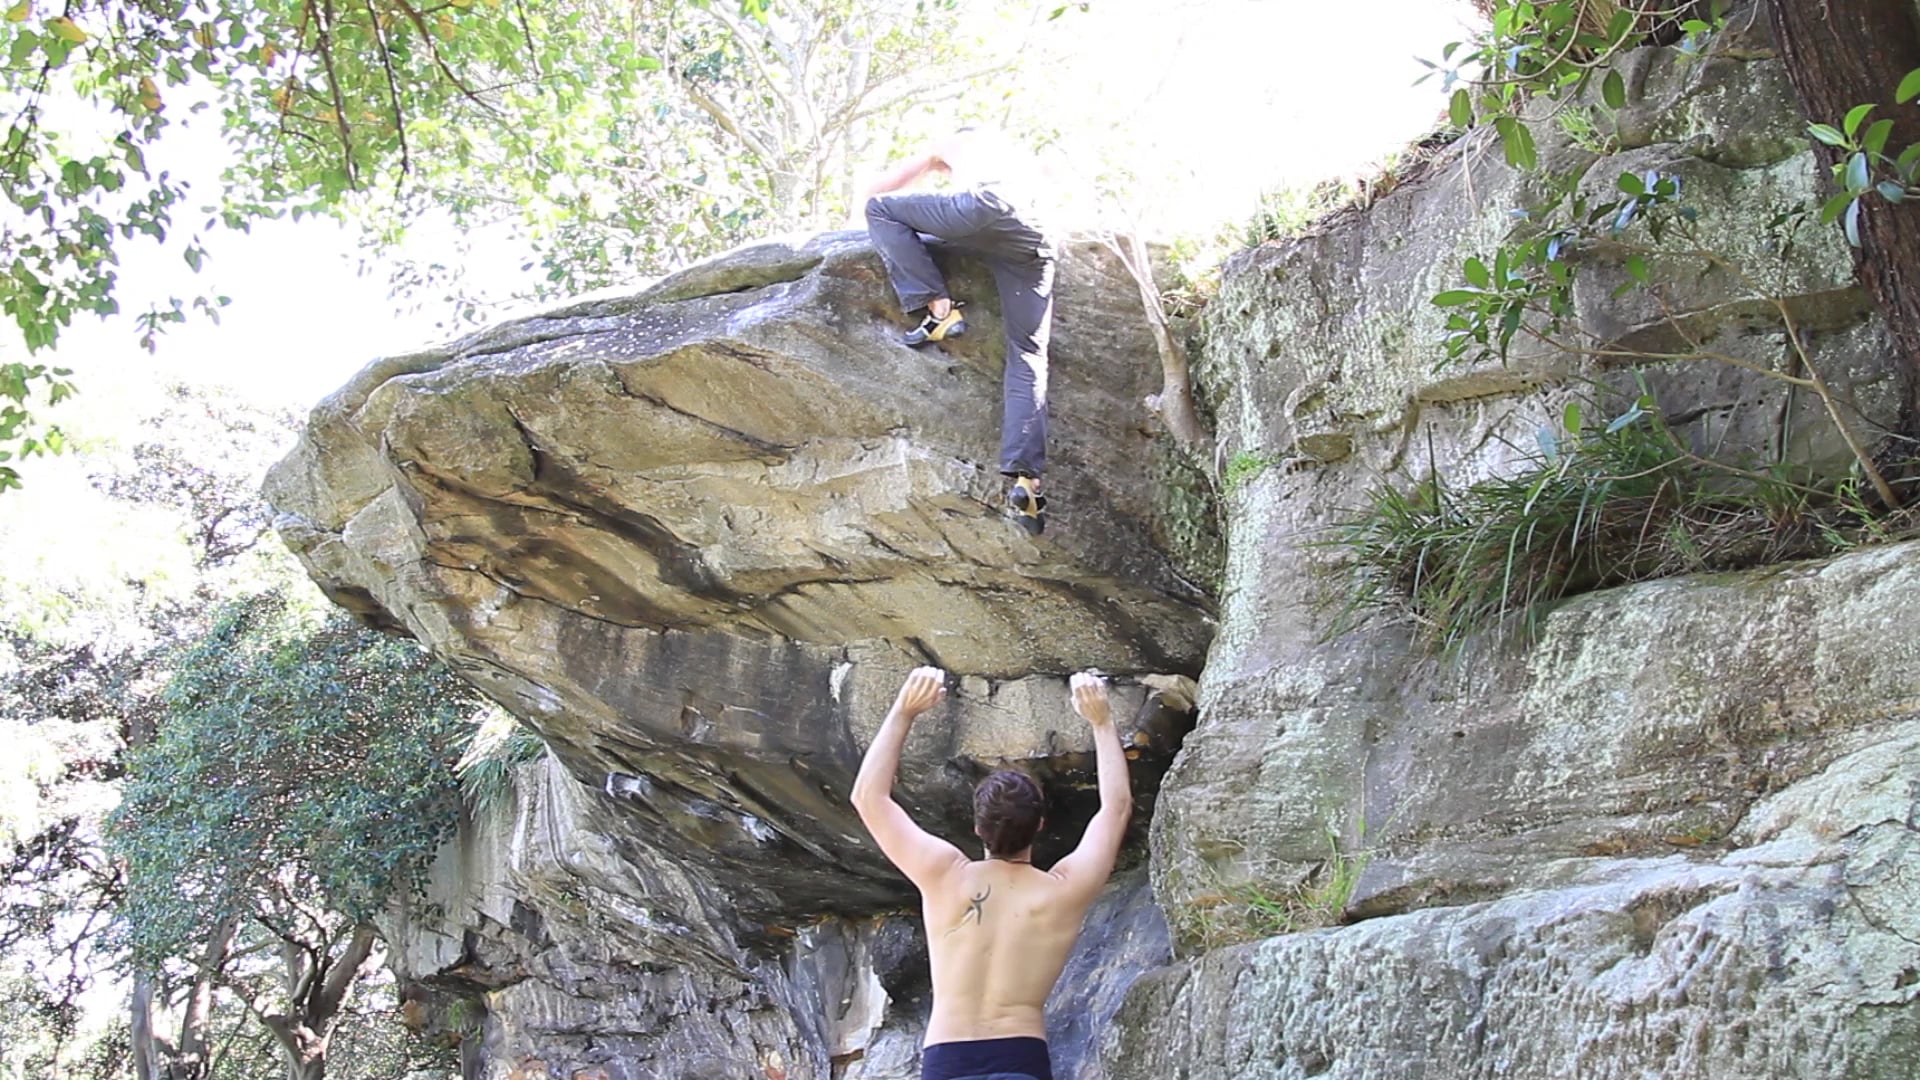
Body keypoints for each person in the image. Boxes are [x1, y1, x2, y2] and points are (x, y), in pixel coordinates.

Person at [849, 666, 1132, 1080]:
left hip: (947, 1060)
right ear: (1040, 824)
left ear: (977, 828)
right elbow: (1117, 808)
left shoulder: (944, 876)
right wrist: (1102, 721)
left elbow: (868, 797)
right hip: (1021, 1059)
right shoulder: (1061, 891)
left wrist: (905, 710)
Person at [858, 128, 1059, 535]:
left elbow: (876, 190)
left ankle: (939, 310)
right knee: (1028, 354)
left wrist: (934, 159)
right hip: (1034, 236)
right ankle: (1028, 481)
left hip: (984, 207)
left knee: (880, 208)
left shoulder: (961, 140)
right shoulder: (1023, 154)